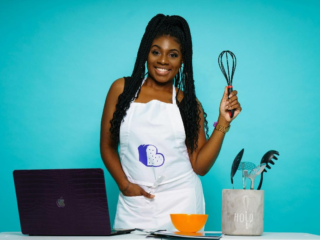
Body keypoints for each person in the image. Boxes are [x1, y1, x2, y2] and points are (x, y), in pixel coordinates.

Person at [100, 14, 242, 230]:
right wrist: (125, 185)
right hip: (135, 203)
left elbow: (200, 166)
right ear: (145, 53)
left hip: (181, 204)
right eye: (156, 52)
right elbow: (107, 146)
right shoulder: (121, 90)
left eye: (173, 54)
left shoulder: (189, 104)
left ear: (182, 59)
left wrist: (224, 122)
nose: (163, 61)